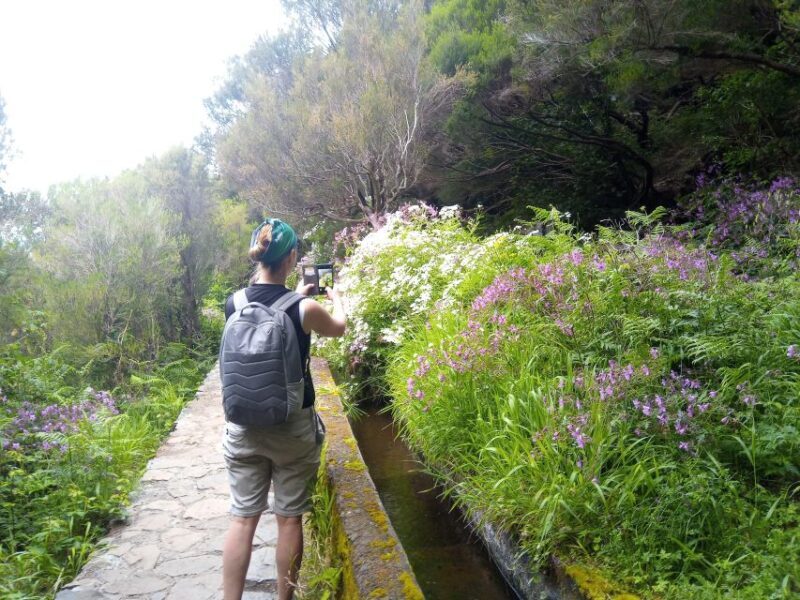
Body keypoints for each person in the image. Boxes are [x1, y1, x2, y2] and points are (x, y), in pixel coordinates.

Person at [221, 218, 346, 600]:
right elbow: (339, 328)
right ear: (292, 257)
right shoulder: (304, 307)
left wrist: (296, 295)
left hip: (243, 426)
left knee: (243, 519)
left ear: (260, 257)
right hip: (292, 429)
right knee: (289, 518)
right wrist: (338, 298)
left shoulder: (234, 302)